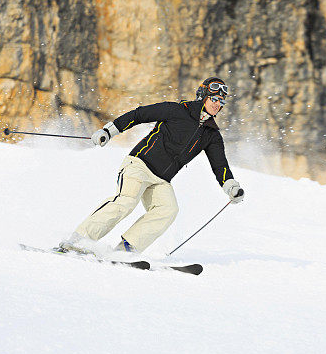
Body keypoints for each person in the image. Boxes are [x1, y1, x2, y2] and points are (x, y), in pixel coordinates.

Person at [58, 77, 244, 255]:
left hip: (161, 180)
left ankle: (126, 249)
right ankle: (78, 240)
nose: (217, 104)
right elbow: (139, 114)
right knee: (127, 201)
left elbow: (220, 165)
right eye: (214, 98)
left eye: (221, 101)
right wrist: (109, 130)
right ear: (203, 96)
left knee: (168, 210)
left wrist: (231, 187)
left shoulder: (211, 135)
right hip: (139, 165)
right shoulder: (177, 110)